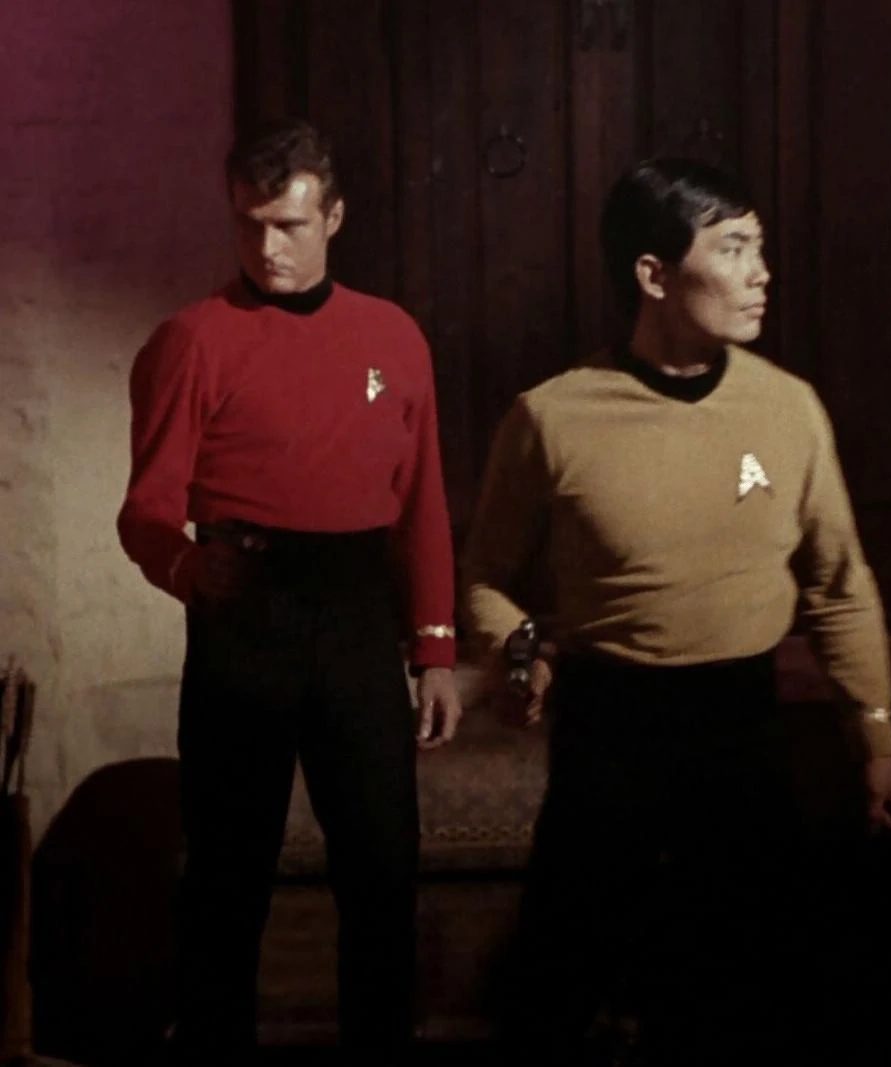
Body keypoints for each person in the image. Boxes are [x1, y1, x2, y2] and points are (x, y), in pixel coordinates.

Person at [461, 157, 891, 1065]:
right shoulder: (552, 416)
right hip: (609, 732)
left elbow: (839, 584)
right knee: (551, 995)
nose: (761, 273)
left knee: (748, 998)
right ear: (653, 273)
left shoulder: (789, 408)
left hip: (742, 729)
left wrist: (875, 741)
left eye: (760, 248)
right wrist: (518, 651)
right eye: (735, 248)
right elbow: (486, 577)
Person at [117, 118, 463, 1066]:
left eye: (288, 225)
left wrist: (435, 647)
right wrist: (186, 567)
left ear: (333, 217)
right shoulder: (193, 339)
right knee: (226, 880)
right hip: (246, 615)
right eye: (248, 223)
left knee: (382, 873)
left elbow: (422, 502)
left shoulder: (393, 336)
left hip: (356, 613)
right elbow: (145, 509)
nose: (267, 246)